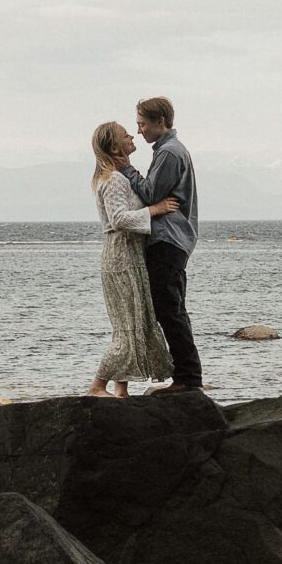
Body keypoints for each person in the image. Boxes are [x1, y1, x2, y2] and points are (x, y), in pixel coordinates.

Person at [86, 120, 181, 396]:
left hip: (130, 257)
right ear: (115, 146)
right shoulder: (113, 180)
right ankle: (97, 385)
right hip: (121, 258)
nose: (131, 135)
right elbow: (118, 219)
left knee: (135, 322)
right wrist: (156, 209)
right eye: (124, 134)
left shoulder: (120, 177)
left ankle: (121, 389)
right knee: (127, 326)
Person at [127, 95, 204, 394]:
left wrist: (126, 169)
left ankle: (188, 378)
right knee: (172, 309)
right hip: (175, 239)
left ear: (161, 122)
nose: (139, 131)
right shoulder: (170, 150)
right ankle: (186, 376)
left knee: (169, 310)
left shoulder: (169, 153)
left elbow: (150, 193)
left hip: (168, 239)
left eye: (143, 124)